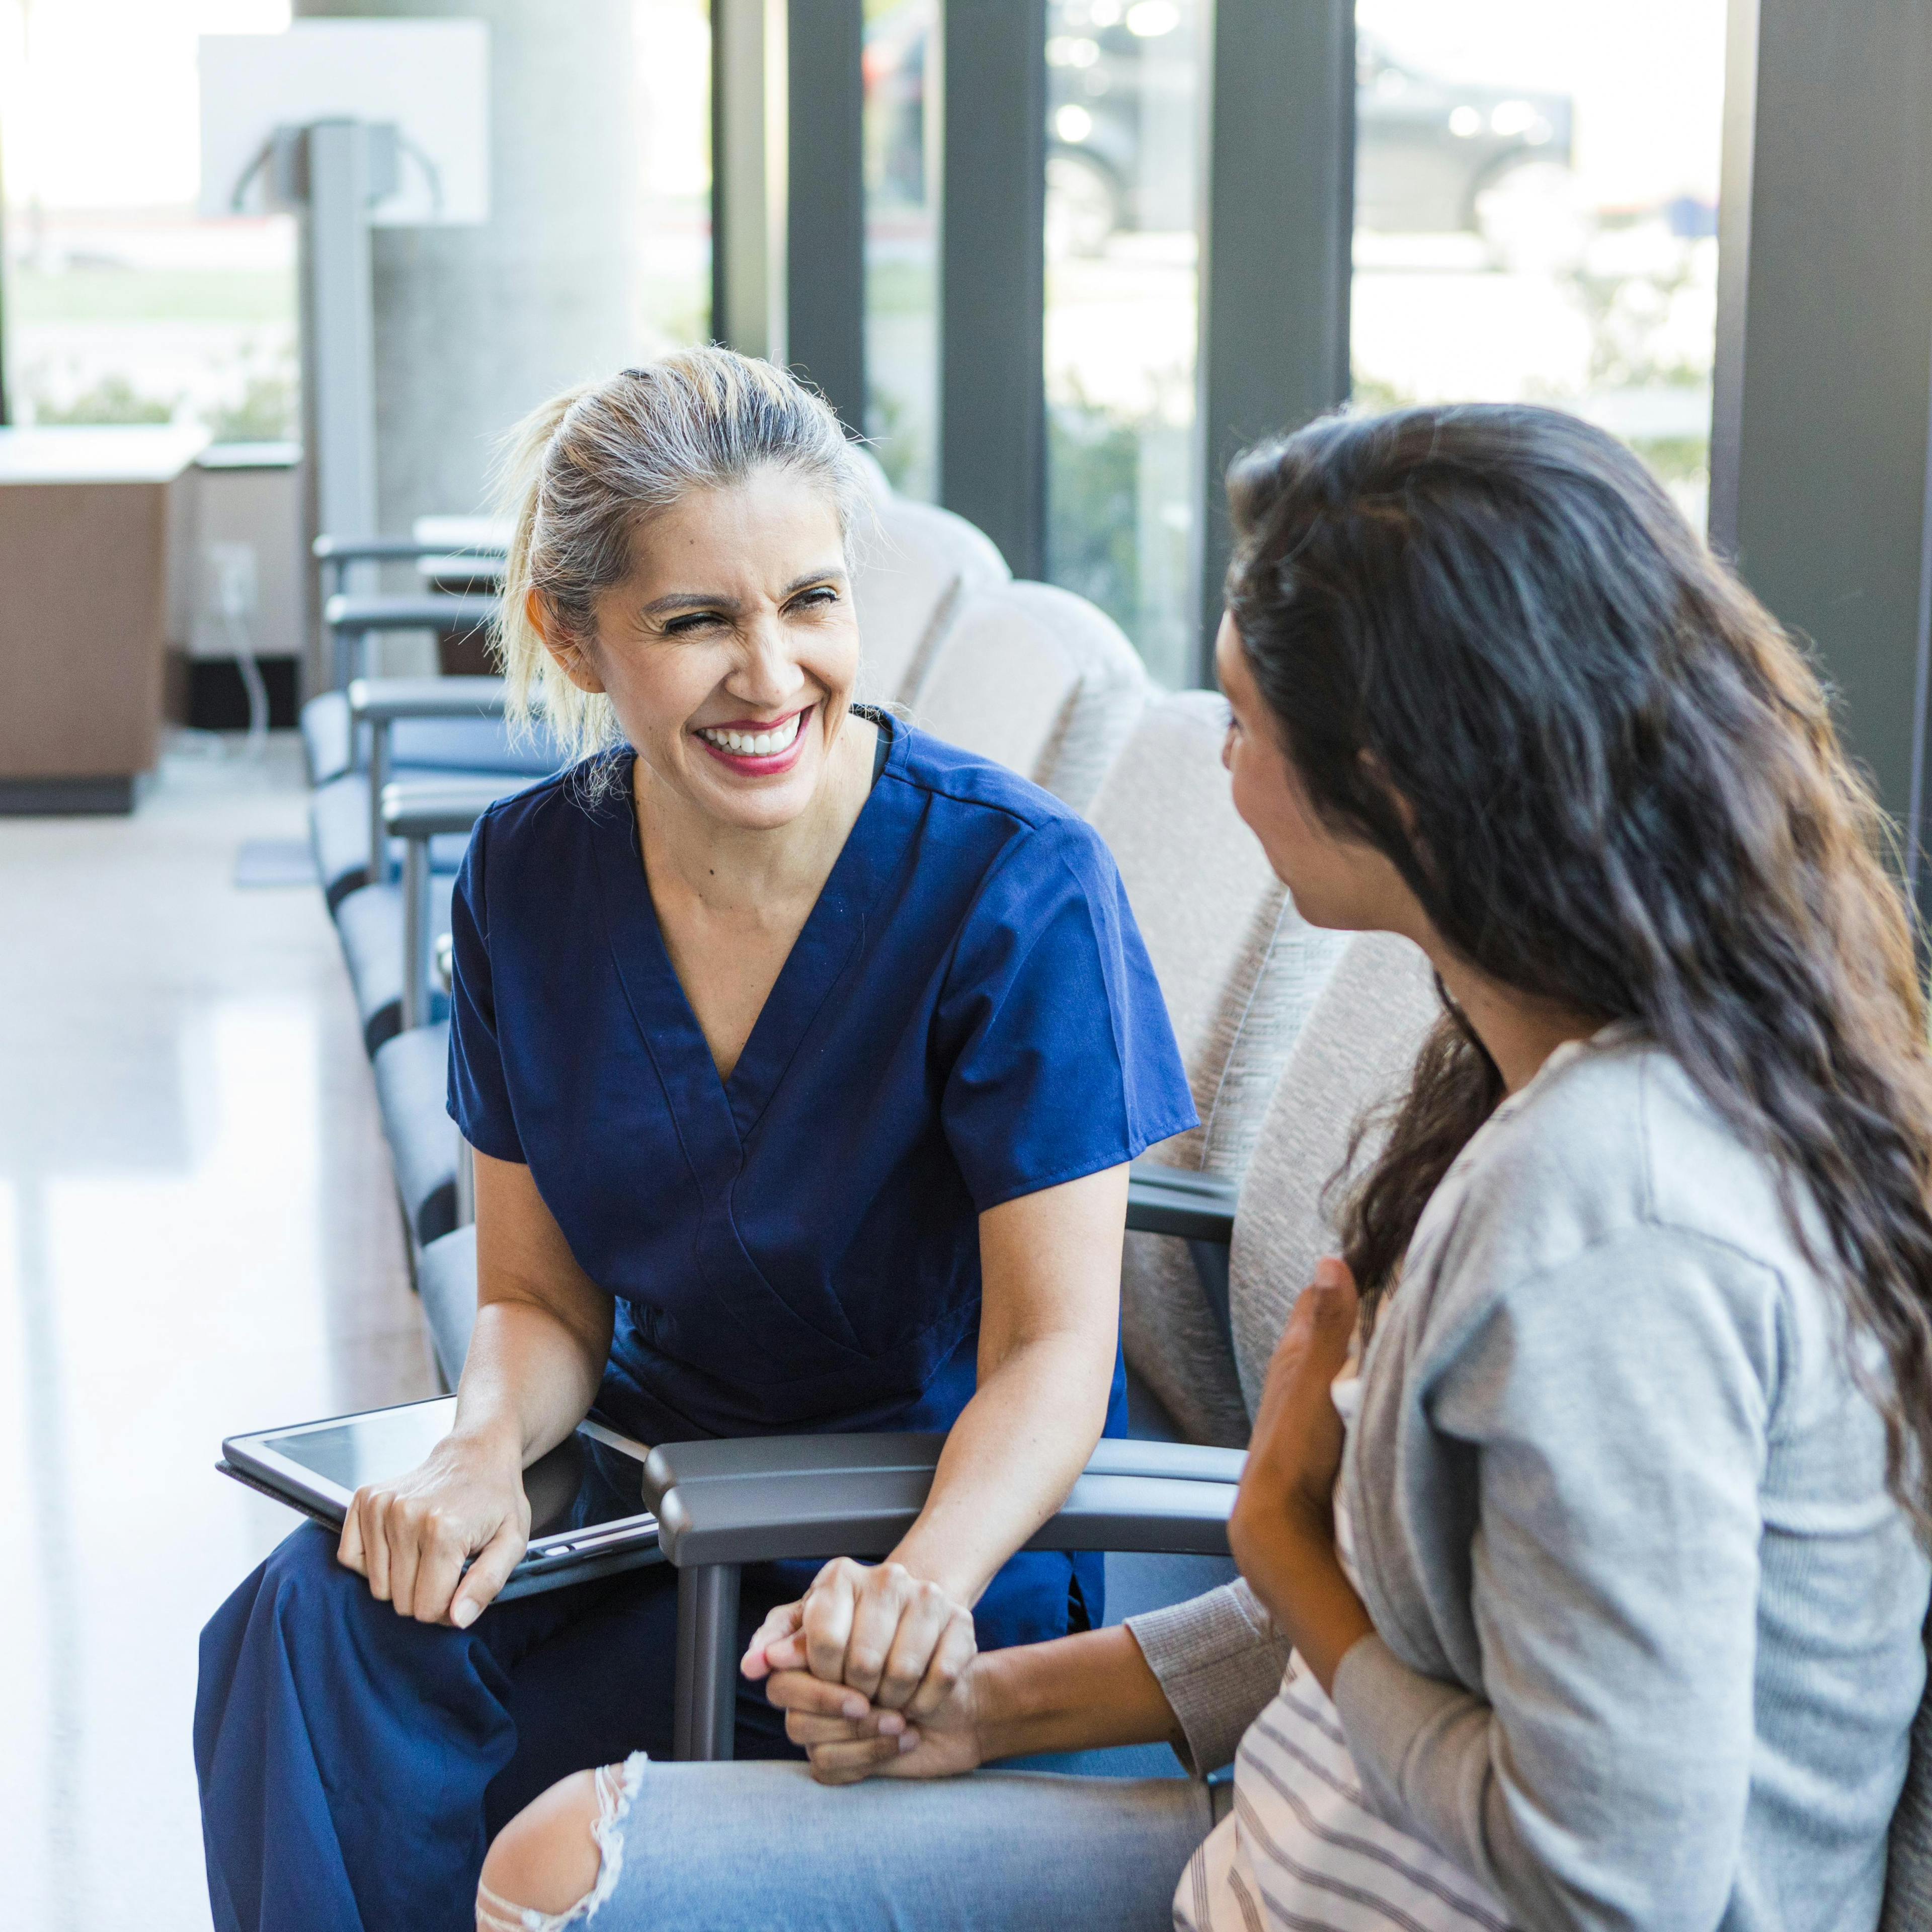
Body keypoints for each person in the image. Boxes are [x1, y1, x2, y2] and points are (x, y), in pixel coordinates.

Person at [476, 403, 1932, 1932]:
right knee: (557, 1841)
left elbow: (1616, 1881)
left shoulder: (1616, 1223)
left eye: (1243, 720)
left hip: (1346, 1891)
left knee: (564, 1865)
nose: (1217, 762)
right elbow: (1422, 1639)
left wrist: (1282, 1549)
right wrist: (992, 1711)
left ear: (1409, 777)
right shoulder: (1528, 1087)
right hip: (1297, 1851)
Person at [192, 349, 1197, 1932]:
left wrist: (917, 1587)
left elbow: (1056, 1350)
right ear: (572, 638)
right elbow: (538, 1303)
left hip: (943, 1543)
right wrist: (474, 1458)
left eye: (811, 602)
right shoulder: (529, 879)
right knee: (312, 1629)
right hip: (662, 1517)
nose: (773, 672)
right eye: (696, 622)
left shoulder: (1017, 885)